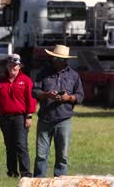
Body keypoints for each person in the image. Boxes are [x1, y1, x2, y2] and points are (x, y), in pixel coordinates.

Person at [32, 45, 84, 177]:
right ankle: (39, 182)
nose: (55, 60)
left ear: (65, 60)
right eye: (54, 57)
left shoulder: (74, 75)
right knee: (41, 155)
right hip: (45, 119)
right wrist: (47, 94)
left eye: (59, 58)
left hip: (64, 119)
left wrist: (68, 98)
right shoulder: (43, 72)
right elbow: (35, 91)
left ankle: (60, 182)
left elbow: (80, 96)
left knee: (62, 156)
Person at [0, 54, 37, 178]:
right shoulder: (0, 81)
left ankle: (26, 173)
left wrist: (29, 115)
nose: (13, 67)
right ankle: (12, 172)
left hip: (20, 117)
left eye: (15, 65)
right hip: (4, 118)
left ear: (19, 66)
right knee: (9, 145)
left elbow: (31, 99)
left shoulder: (26, 80)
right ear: (7, 65)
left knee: (21, 145)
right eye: (10, 65)